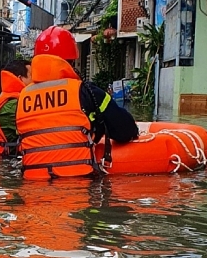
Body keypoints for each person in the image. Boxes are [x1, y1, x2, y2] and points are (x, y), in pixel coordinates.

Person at [16, 26, 139, 179]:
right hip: (78, 185)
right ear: (72, 60)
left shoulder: (22, 98)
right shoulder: (87, 92)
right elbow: (125, 131)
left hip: (32, 187)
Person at [0, 59, 32, 157]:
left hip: (6, 160)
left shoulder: (11, 99)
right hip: (9, 163)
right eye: (32, 76)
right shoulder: (15, 105)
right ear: (20, 79)